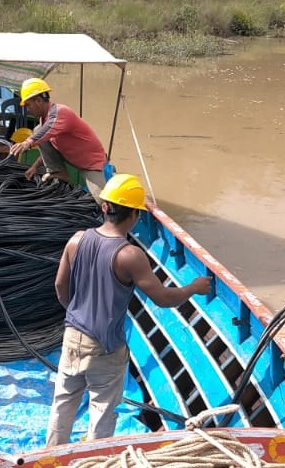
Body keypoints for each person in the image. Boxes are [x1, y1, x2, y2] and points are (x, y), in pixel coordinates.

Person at [45, 173, 211, 446]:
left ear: (105, 207)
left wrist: (75, 314)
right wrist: (193, 287)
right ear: (134, 215)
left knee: (63, 403)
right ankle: (94, 461)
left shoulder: (77, 240)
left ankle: (50, 456)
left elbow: (60, 285)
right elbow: (163, 298)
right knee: (102, 409)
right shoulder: (130, 255)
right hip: (105, 346)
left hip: (72, 336)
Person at [8, 77, 108, 199]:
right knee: (38, 129)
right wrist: (35, 167)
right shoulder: (44, 120)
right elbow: (48, 145)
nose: (28, 109)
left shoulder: (61, 113)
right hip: (70, 156)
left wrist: (27, 143)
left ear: (38, 101)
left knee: (103, 201)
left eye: (28, 105)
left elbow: (46, 131)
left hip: (90, 163)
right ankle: (58, 172)